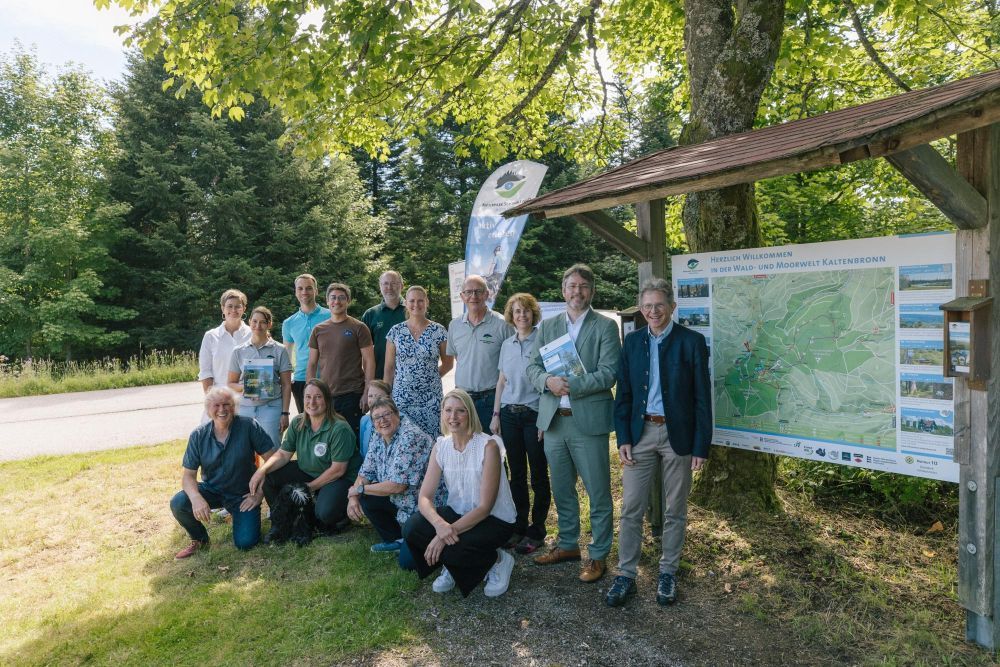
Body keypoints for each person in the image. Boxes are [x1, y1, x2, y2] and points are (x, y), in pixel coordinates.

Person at [606, 279, 712, 607]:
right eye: (648, 306)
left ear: (672, 307)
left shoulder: (691, 342)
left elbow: (701, 399)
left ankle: (668, 572)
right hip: (640, 434)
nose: (654, 311)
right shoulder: (633, 342)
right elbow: (623, 394)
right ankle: (626, 574)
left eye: (659, 305)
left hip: (678, 435)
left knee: (675, 509)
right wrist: (622, 437)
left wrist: (700, 446)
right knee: (631, 508)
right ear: (641, 309)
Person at [526, 263, 621, 583]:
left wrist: (571, 385)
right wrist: (547, 382)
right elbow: (532, 366)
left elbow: (610, 372)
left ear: (591, 291)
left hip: (589, 422)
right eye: (571, 286)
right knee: (562, 488)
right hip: (554, 421)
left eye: (583, 286)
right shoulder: (549, 326)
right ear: (563, 290)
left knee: (598, 492)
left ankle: (598, 555)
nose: (576, 291)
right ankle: (567, 544)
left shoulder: (605, 327)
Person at [402, 390, 517, 598]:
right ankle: (453, 565)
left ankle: (498, 560)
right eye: (448, 411)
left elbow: (485, 508)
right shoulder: (441, 446)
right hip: (459, 513)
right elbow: (424, 497)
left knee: (454, 548)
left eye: (460, 411)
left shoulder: (488, 446)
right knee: (413, 528)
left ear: (470, 414)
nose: (453, 417)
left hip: (494, 520)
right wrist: (440, 526)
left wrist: (444, 535)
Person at [170, 386, 276, 558]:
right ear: (208, 409)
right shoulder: (198, 435)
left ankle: (240, 517)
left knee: (246, 543)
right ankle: (200, 539)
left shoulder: (248, 426)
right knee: (179, 503)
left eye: (227, 404)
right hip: (212, 490)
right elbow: (188, 476)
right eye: (216, 405)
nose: (222, 409)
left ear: (233, 407)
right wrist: (196, 498)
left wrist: (258, 495)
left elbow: (272, 460)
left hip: (243, 495)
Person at [249, 379, 360, 535]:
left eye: (318, 397)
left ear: (327, 400)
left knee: (325, 514)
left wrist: (310, 488)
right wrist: (262, 470)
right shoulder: (298, 422)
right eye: (308, 397)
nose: (312, 402)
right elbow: (283, 454)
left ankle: (341, 515)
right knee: (270, 477)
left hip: (339, 479)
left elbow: (338, 470)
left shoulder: (339, 428)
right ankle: (284, 519)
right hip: (310, 470)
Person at [490, 292, 550, 554]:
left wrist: (545, 419)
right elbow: (501, 382)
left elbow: (549, 382)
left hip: (534, 415)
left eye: (526, 310)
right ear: (511, 316)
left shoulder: (543, 340)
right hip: (509, 415)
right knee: (516, 474)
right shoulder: (507, 345)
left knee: (538, 474)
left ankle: (537, 530)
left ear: (533, 313)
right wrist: (495, 415)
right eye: (516, 311)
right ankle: (519, 526)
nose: (522, 315)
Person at [346, 396, 438, 567]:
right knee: (367, 495)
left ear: (397, 414)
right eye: (377, 417)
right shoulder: (379, 434)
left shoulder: (410, 437)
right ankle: (397, 540)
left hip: (424, 507)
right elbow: (366, 470)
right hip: (402, 503)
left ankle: (412, 539)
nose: (383, 420)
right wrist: (354, 496)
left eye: (387, 414)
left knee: (408, 563)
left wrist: (358, 490)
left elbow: (398, 485)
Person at [446, 275, 514, 433]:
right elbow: (459, 358)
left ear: (487, 294)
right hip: (461, 400)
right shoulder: (454, 326)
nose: (473, 296)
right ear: (462, 296)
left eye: (478, 291)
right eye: (468, 292)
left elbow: (512, 362)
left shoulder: (503, 324)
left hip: (491, 399)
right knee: (464, 448)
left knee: (493, 449)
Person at [307, 282, 375, 435]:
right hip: (325, 395)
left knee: (351, 438)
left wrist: (367, 392)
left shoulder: (359, 327)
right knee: (326, 438)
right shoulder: (318, 330)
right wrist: (309, 391)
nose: (336, 301)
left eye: (341, 298)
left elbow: (369, 361)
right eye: (333, 298)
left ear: (348, 301)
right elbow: (312, 364)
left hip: (352, 394)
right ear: (327, 301)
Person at [385, 285, 453, 437]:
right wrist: (385, 396)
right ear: (406, 303)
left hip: (430, 400)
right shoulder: (395, 332)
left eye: (420, 300)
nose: (416, 304)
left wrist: (428, 377)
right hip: (402, 399)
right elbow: (389, 368)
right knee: (404, 442)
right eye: (412, 301)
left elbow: (449, 364)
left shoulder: (439, 331)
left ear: (427, 302)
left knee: (432, 442)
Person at [228, 306, 293, 448]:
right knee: (244, 451)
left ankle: (273, 472)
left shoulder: (280, 350)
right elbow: (231, 383)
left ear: (269, 324)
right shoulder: (238, 351)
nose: (258, 325)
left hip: (271, 408)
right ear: (250, 322)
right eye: (255, 321)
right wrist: (246, 388)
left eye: (263, 322)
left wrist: (285, 413)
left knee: (272, 450)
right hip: (245, 409)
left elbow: (287, 385)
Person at [281, 274, 330, 413]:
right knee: (307, 425)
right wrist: (286, 379)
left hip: (328, 377)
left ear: (316, 290)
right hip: (301, 380)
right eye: (300, 288)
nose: (304, 292)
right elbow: (287, 355)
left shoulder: (330, 315)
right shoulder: (289, 323)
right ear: (295, 291)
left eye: (309, 288)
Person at [198, 288, 252, 397]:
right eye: (229, 306)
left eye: (238, 306)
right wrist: (212, 400)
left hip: (247, 399)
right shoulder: (210, 336)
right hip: (221, 399)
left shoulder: (253, 334)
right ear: (223, 308)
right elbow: (205, 372)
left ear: (244, 309)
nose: (233, 310)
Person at [362, 270, 407, 380]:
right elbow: (364, 351)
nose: (389, 287)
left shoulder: (412, 311)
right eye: (385, 283)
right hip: (379, 377)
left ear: (402, 285)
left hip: (409, 378)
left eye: (394, 283)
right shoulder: (370, 314)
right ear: (380, 286)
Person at [358, 379, 392, 459]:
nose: (373, 400)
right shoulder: (364, 420)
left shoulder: (395, 418)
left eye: (378, 396)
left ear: (388, 398)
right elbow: (363, 451)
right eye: (370, 396)